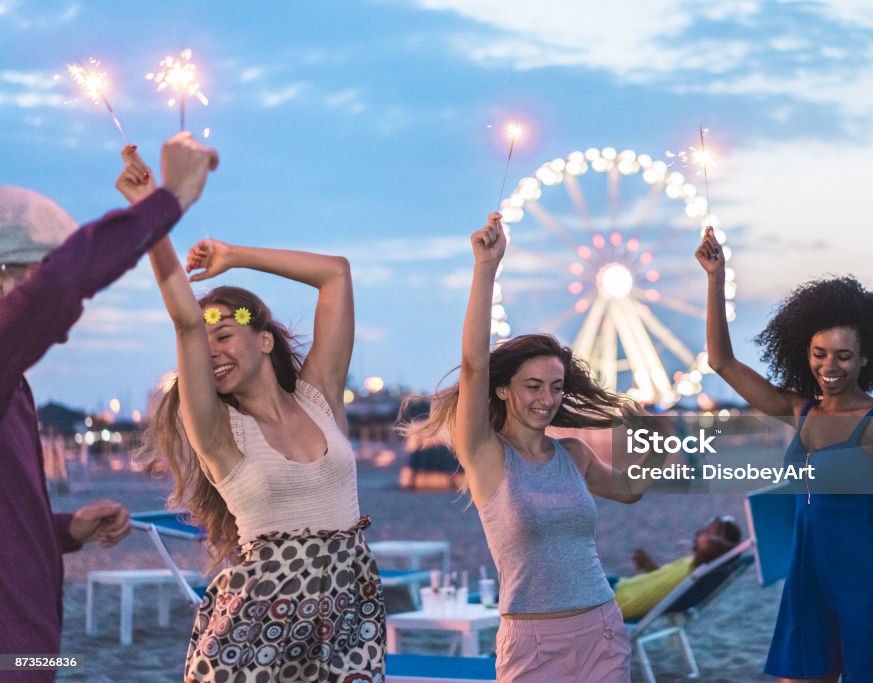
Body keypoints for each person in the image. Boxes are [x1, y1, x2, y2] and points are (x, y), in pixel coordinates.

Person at [117, 150, 383, 681]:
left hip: (349, 617)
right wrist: (151, 209)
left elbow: (335, 274)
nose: (211, 349)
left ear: (263, 340)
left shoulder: (319, 397)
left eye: (225, 334)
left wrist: (235, 255)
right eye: (204, 339)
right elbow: (185, 322)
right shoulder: (219, 432)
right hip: (255, 632)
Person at [0, 134, 217, 681]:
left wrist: (68, 529)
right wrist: (167, 200)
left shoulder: (14, 390)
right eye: (30, 278)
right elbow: (60, 285)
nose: (64, 334)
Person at [412, 213, 663, 683]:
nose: (546, 400)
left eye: (555, 387)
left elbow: (630, 492)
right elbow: (471, 367)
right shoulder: (487, 456)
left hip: (601, 631)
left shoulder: (573, 455)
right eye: (532, 386)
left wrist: (656, 444)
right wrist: (486, 267)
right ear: (503, 389)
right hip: (532, 644)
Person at [695, 227, 873, 683]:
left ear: (863, 360)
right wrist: (715, 278)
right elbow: (721, 362)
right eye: (820, 354)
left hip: (866, 585)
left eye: (843, 356)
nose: (828, 367)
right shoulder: (798, 410)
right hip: (805, 584)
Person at [613, 516, 742, 621]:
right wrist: (651, 568)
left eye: (708, 533)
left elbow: (716, 547)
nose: (699, 532)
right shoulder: (693, 570)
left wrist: (732, 547)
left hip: (614, 601)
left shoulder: (698, 567)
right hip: (619, 587)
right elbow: (664, 586)